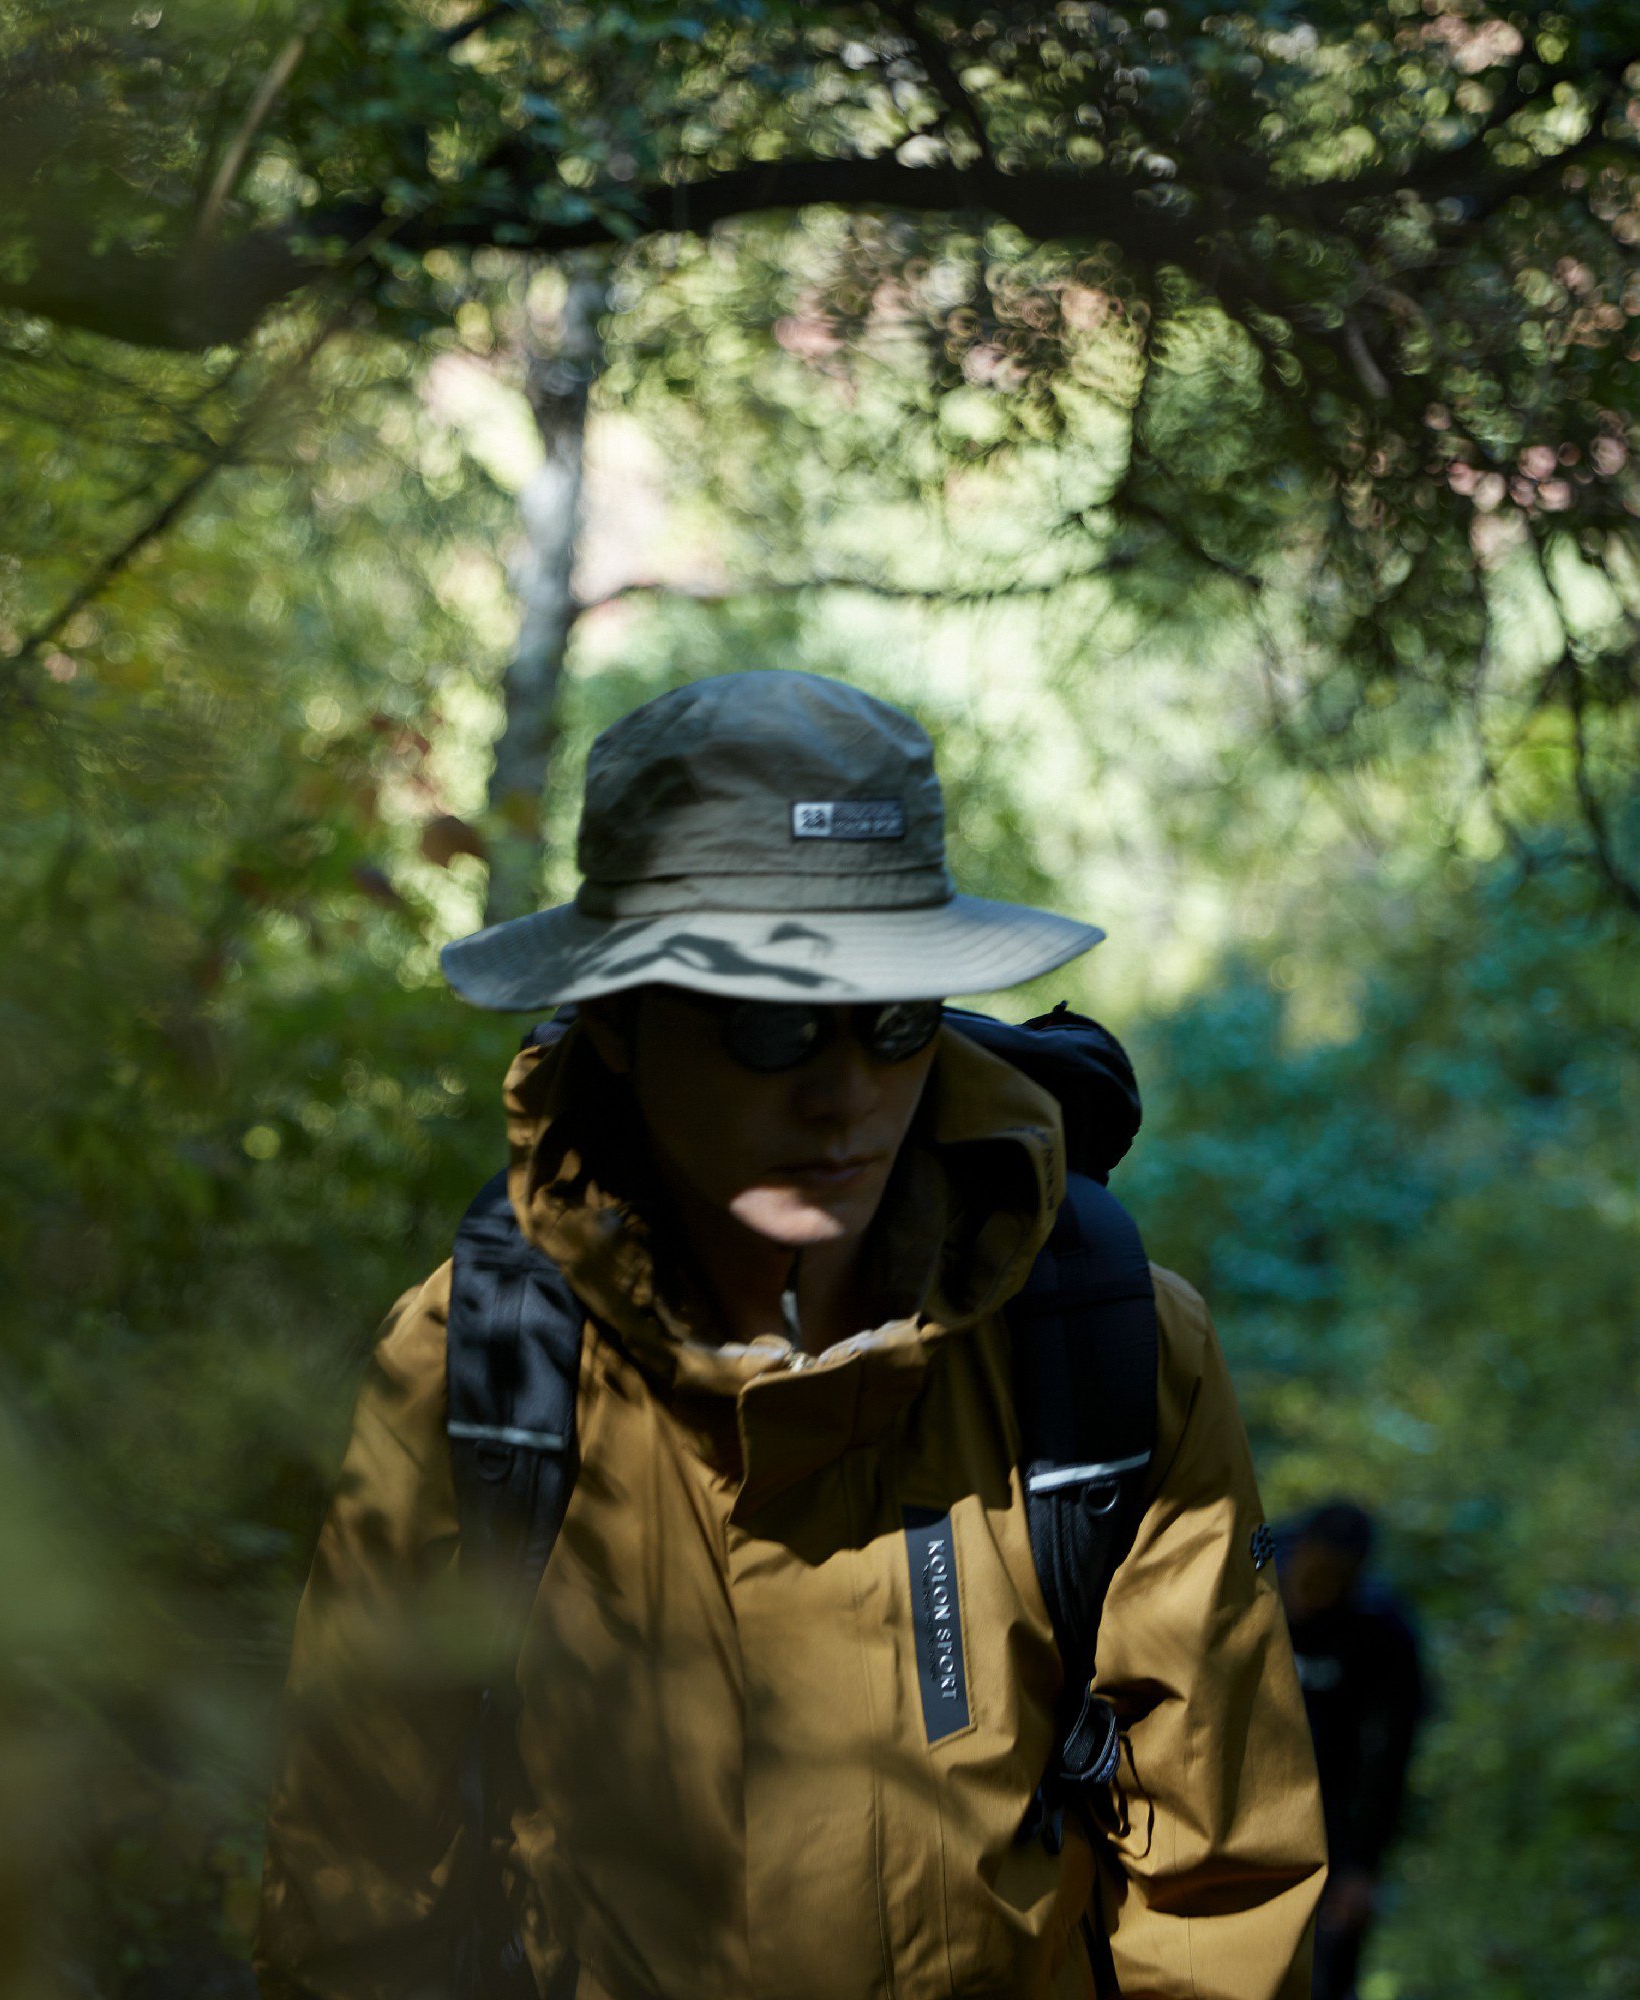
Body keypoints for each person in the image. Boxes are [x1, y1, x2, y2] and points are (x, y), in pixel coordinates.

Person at [255, 671, 1324, 1999]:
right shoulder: (479, 1369)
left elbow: (1220, 1889)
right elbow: (360, 1887)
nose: (846, 1094)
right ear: (620, 1025)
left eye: (895, 1018)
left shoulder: (1107, 1351)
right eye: (769, 1023)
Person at [1281, 1501, 1428, 2000]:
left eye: (1334, 1579)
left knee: (1325, 1972)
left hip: (1331, 1826)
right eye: (1311, 1572)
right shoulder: (1242, 1580)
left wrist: (1362, 1868)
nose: (1315, 1590)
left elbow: (1390, 1756)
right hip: (1227, 1808)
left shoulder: (1382, 1631)